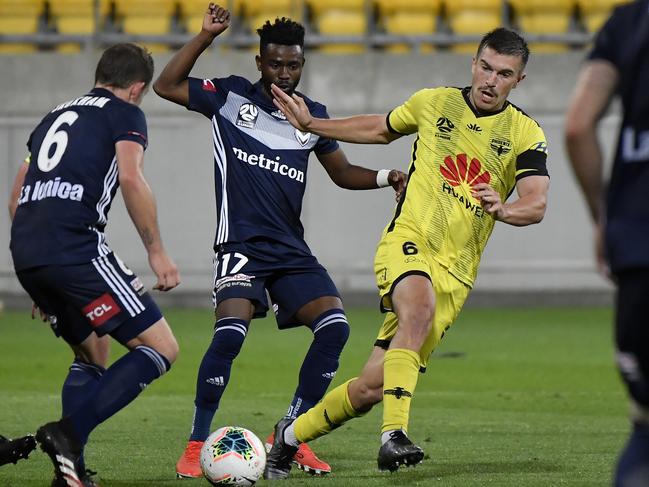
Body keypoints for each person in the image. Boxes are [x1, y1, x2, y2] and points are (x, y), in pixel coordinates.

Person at [265, 27, 550, 478]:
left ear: (520, 80)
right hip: (408, 241)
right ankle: (392, 436)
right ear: (473, 64)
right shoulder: (433, 102)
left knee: (371, 387)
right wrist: (313, 124)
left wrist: (505, 209)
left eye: (505, 74)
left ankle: (288, 436)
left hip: (455, 274)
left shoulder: (525, 133)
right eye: (487, 67)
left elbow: (536, 201)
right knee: (417, 308)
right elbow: (379, 128)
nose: (491, 80)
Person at [152, 3, 406, 478]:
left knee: (335, 326)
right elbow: (164, 85)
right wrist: (205, 36)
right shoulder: (228, 97)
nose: (284, 73)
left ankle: (291, 435)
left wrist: (387, 174)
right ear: (260, 63)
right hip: (240, 246)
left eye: (293, 64)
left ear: (302, 64)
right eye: (275, 63)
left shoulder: (312, 118)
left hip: (290, 251)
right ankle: (194, 443)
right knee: (230, 335)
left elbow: (344, 172)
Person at [8, 43, 180, 486]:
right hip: (76, 249)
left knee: (93, 350)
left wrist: (41, 275)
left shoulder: (53, 116)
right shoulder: (124, 112)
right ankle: (68, 434)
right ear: (137, 88)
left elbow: (17, 195)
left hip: (28, 249)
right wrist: (156, 251)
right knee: (161, 348)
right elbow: (130, 177)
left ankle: (71, 475)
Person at [565, 2, 649, 485]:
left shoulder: (628, 21)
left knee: (645, 426)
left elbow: (578, 126)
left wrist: (604, 217)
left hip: (638, 245)